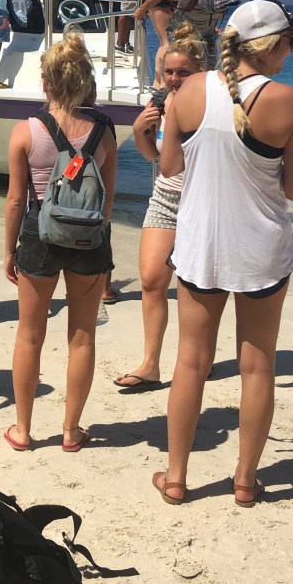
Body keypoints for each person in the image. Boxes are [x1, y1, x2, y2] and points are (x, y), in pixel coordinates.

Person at [152, 0, 293, 507]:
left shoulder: (191, 89)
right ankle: (245, 480)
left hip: (201, 247)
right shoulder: (289, 101)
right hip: (260, 250)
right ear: (270, 46)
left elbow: (170, 169)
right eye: (292, 40)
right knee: (258, 366)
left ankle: (177, 478)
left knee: (190, 364)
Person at [3, 33, 117, 452]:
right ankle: (71, 431)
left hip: (39, 234)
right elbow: (107, 201)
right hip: (89, 238)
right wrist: (102, 250)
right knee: (82, 335)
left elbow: (16, 200)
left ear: (46, 83)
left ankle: (23, 429)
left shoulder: (26, 132)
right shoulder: (104, 131)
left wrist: (8, 250)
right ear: (86, 81)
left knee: (30, 335)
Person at [113, 24, 207, 391]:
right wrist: (140, 133)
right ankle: (150, 364)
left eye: (183, 72)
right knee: (152, 280)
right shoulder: (160, 104)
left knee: (194, 289)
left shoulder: (211, 106)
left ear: (200, 71)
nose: (174, 78)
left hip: (201, 203)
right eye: (169, 71)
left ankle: (196, 358)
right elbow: (158, 160)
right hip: (165, 198)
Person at [135, 0, 240, 65]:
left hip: (207, 35)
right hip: (182, 32)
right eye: (223, 3)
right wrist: (142, 10)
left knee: (208, 71)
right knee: (183, 66)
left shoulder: (226, 2)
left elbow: (212, 13)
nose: (225, 7)